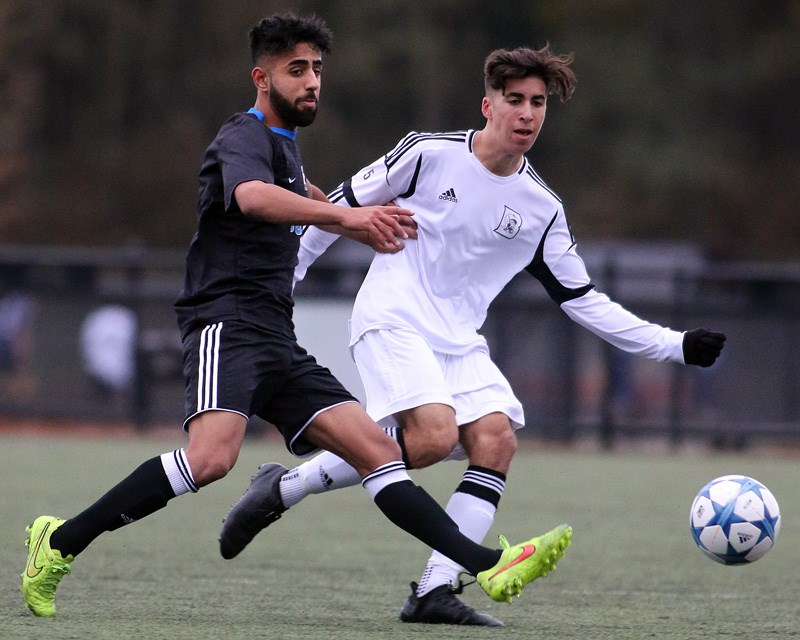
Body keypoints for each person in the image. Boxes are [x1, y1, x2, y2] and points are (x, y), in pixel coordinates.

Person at [20, 13, 573, 619]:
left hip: (275, 335)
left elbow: (311, 197)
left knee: (379, 453)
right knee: (210, 461)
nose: (312, 82)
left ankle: (478, 567)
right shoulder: (244, 136)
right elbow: (253, 198)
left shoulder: (284, 146)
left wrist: (363, 221)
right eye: (296, 70)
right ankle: (60, 541)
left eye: (316, 69)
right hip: (225, 324)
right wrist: (346, 219)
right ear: (262, 77)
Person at [218, 44, 726, 626]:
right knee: (432, 438)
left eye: (538, 103)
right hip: (392, 316)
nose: (527, 114)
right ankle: (287, 490)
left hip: (458, 341)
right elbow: (336, 209)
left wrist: (674, 345)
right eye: (515, 100)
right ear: (487, 105)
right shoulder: (426, 154)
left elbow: (584, 302)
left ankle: (431, 590)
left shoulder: (542, 211)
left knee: (496, 439)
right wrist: (283, 284)